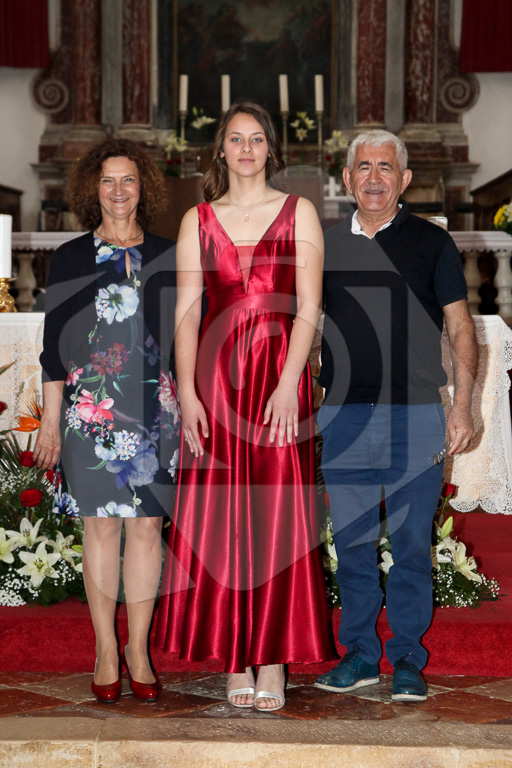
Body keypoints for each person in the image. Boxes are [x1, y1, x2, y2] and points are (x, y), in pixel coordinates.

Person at [155, 102, 337, 711]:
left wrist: (289, 384)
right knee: (224, 513)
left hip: (278, 376)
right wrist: (187, 392)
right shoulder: (198, 219)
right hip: (217, 378)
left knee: (279, 513)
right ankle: (237, 656)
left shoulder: (299, 211)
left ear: (270, 149)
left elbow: (309, 305)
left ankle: (274, 658)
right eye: (236, 139)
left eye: (257, 139)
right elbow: (187, 311)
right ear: (221, 150)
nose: (247, 149)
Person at [315, 130, 477, 702]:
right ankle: (360, 653)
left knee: (410, 543)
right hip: (344, 416)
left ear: (404, 179)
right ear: (347, 179)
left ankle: (408, 656)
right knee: (353, 542)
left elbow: (460, 325)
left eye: (386, 167)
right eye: (364, 167)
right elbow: (304, 324)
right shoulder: (325, 245)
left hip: (416, 414)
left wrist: (463, 405)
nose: (374, 178)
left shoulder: (433, 242)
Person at [36, 139, 179, 703]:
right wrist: (50, 422)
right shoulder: (71, 257)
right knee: (100, 527)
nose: (119, 191)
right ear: (92, 190)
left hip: (155, 410)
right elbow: (53, 349)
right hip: (89, 411)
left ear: (144, 187)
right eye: (107, 181)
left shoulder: (169, 254)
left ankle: (138, 650)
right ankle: (104, 649)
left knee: (146, 528)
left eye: (128, 180)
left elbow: (185, 342)